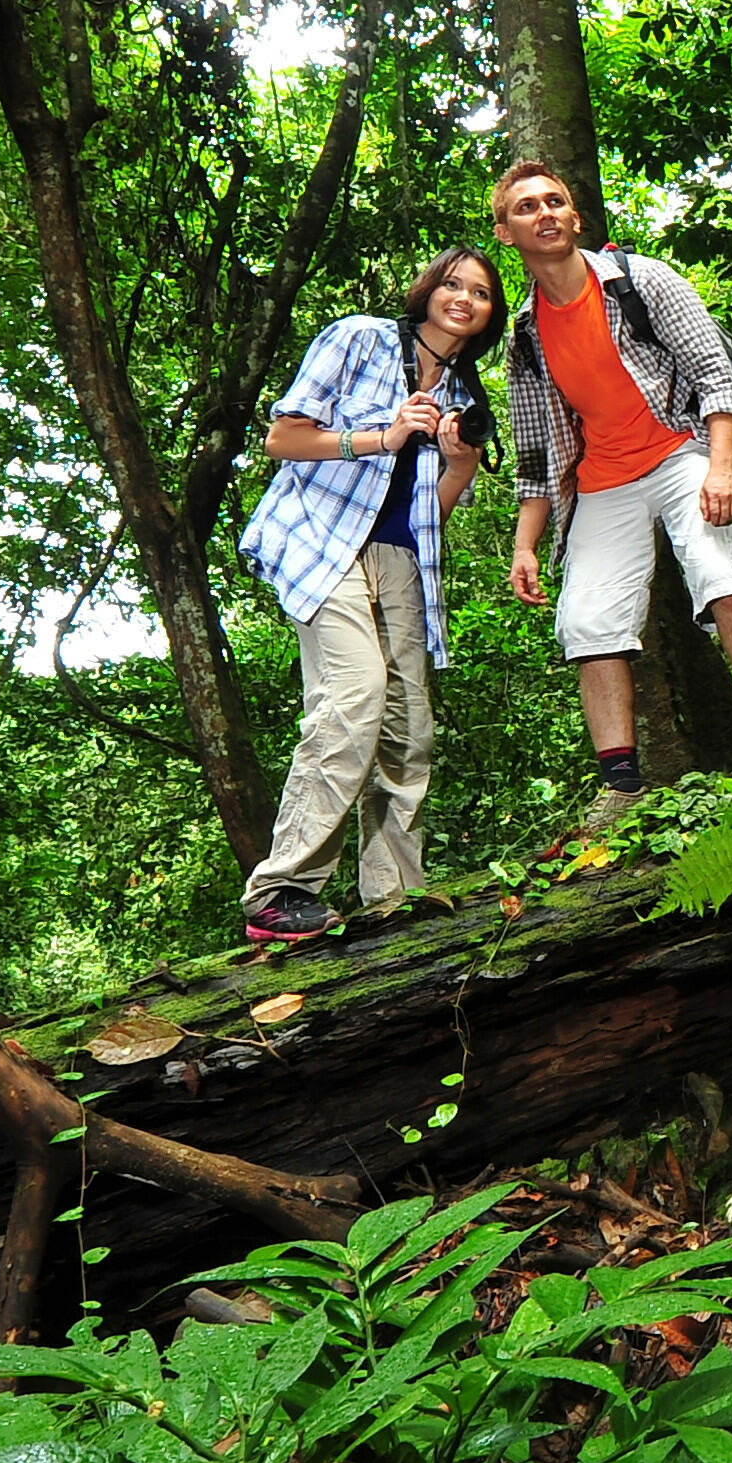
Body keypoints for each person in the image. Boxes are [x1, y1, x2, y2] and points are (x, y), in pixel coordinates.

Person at [491, 157, 732, 828]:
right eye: (526, 208)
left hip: (680, 448)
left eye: (553, 201)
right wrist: (525, 546)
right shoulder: (526, 335)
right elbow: (536, 454)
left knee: (720, 572)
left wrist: (722, 466)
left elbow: (713, 375)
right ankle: (620, 784)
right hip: (602, 479)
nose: (544, 214)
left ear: (574, 217)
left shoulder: (642, 280)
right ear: (506, 234)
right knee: (586, 619)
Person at [233, 248, 503, 944]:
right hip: (322, 539)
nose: (464, 299)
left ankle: (393, 894)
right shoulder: (360, 337)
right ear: (427, 290)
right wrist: (385, 435)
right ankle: (281, 890)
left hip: (401, 559)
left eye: (480, 293)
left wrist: (460, 462)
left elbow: (431, 512)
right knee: (353, 695)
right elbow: (282, 438)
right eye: (452, 284)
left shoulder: (463, 393)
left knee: (409, 728)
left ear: (490, 315)